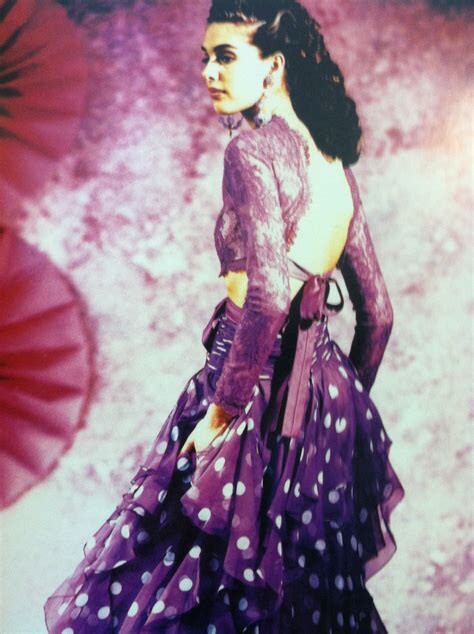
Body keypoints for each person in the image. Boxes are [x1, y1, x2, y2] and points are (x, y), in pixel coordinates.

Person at [43, 0, 405, 632]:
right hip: (321, 406)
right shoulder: (335, 165)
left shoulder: (252, 152)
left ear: (274, 66)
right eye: (206, 57)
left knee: (194, 583)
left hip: (245, 388)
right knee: (295, 597)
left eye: (227, 57)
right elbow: (378, 314)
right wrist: (337, 410)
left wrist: (221, 412)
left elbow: (269, 295)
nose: (209, 71)